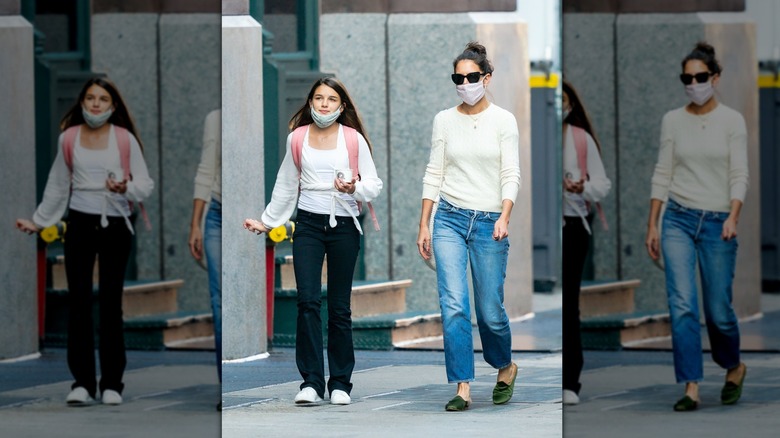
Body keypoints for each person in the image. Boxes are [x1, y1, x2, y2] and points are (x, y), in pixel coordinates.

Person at [244, 77, 382, 406]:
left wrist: (355, 189)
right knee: (307, 302)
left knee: (338, 308)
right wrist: (267, 221)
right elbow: (286, 185)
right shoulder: (298, 138)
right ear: (310, 103)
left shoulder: (353, 139)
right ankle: (310, 382)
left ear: (341, 106)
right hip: (307, 224)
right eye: (318, 98)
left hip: (344, 224)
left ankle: (340, 384)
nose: (324, 104)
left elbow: (374, 184)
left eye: (331, 99)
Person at [16, 77, 154, 406]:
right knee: (78, 302)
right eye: (90, 98)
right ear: (81, 103)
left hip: (116, 224)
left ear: (113, 106)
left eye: (102, 99)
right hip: (79, 221)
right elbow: (56, 186)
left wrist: (126, 188)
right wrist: (38, 221)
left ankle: (111, 384)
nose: (95, 104)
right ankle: (81, 382)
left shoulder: (124, 139)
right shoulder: (69, 138)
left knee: (110, 304)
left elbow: (145, 184)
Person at [416, 41, 520, 411]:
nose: (464, 83)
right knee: (454, 304)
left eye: (471, 77)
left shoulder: (504, 120)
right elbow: (434, 171)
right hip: (449, 217)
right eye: (458, 78)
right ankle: (462, 386)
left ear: (487, 78)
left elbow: (511, 172)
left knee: (490, 310)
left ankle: (505, 366)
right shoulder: (444, 119)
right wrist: (424, 224)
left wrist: (505, 215)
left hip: (490, 221)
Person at [645, 42, 748, 412]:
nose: (693, 83)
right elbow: (663, 172)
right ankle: (691, 385)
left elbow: (739, 174)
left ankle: (734, 366)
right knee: (683, 305)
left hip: (719, 221)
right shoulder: (673, 120)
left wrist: (734, 215)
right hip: (678, 218)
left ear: (715, 78)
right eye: (687, 78)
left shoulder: (732, 120)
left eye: (700, 77)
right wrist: (653, 224)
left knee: (718, 310)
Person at [560, 80, 611, 406]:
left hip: (574, 227)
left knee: (569, 302)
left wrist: (583, 188)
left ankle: (570, 380)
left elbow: (602, 184)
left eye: (563, 100)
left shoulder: (579, 138)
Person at [188, 108, 222, 411]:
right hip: (217, 216)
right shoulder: (215, 118)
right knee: (218, 299)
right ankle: (225, 385)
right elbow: (206, 169)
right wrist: (195, 224)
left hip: (251, 214)